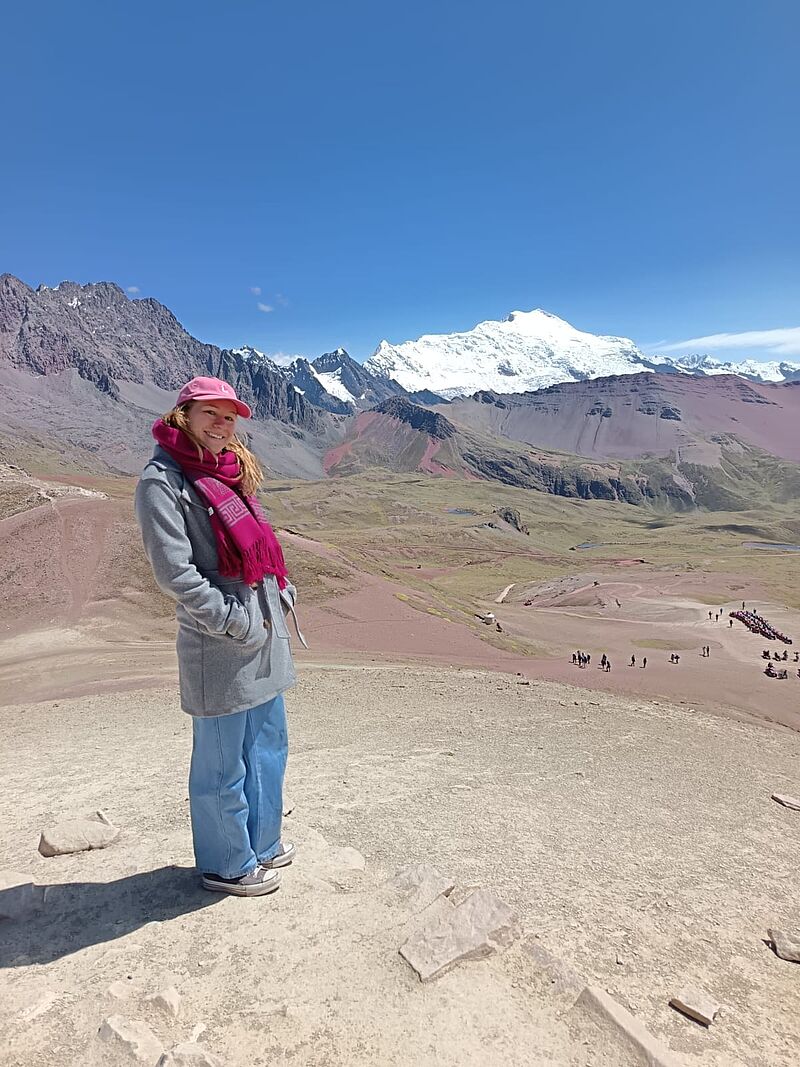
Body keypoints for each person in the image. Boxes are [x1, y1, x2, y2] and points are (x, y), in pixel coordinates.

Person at [134, 377, 307, 898]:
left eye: (229, 416)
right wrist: (233, 620)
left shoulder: (232, 471)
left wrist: (279, 589)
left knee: (268, 747)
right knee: (221, 763)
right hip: (220, 640)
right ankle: (227, 864)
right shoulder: (163, 482)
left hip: (263, 627)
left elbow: (259, 544)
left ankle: (263, 842)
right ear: (184, 414)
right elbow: (175, 573)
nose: (221, 424)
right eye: (210, 412)